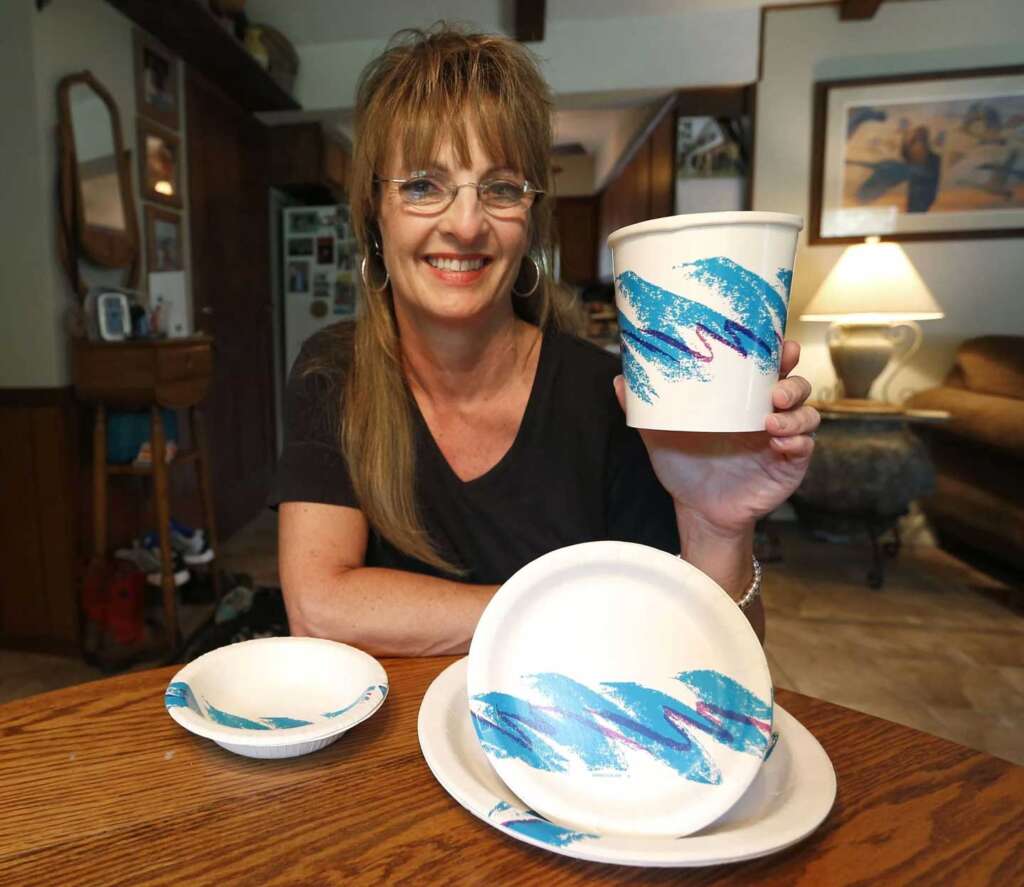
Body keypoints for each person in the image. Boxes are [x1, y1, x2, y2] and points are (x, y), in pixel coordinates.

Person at [270, 25, 819, 657]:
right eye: (422, 185)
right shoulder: (335, 369)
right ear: (375, 212)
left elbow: (707, 664)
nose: (467, 223)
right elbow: (318, 608)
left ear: (530, 220)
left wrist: (718, 528)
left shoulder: (612, 395)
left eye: (501, 188)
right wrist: (582, 610)